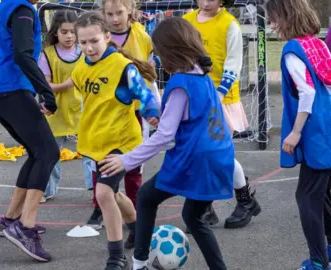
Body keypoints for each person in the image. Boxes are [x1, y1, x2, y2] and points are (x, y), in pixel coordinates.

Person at [99, 17, 233, 270]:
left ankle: (140, 263)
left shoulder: (181, 83)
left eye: (158, 51)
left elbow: (164, 136)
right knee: (194, 218)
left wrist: (125, 161)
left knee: (147, 198)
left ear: (167, 50)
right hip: (219, 154)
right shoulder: (202, 75)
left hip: (196, 159)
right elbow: (189, 115)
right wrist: (160, 112)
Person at [0, 0, 59, 262]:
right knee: (48, 152)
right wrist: (46, 92)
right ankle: (25, 227)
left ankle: (10, 219)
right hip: (12, 89)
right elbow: (22, 53)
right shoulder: (22, 10)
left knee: (35, 152)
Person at [265, 0, 331, 269]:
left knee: (306, 196)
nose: (271, 25)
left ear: (286, 17)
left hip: (317, 131)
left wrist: (294, 133)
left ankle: (319, 261)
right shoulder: (317, 45)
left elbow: (307, 93)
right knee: (320, 193)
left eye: (273, 19)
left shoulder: (293, 51)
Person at [72, 11, 160, 269]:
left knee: (103, 193)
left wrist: (152, 112)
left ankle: (116, 256)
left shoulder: (123, 67)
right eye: (83, 42)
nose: (89, 47)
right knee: (113, 193)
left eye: (94, 41)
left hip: (120, 141)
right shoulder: (80, 69)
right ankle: (136, 228)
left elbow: (144, 94)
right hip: (97, 141)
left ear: (107, 37)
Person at [84, 0, 162, 232]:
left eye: (119, 13)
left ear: (130, 11)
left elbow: (155, 59)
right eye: (109, 14)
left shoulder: (142, 36)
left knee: (133, 163)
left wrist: (151, 106)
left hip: (135, 110)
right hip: (104, 114)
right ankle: (100, 206)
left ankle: (135, 209)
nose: (115, 18)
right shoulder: (95, 39)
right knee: (100, 162)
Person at [183, 0, 261, 230]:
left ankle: (245, 200)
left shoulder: (230, 25)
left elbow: (233, 64)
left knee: (218, 154)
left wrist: (218, 93)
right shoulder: (187, 22)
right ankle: (207, 208)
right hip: (194, 98)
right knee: (200, 154)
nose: (207, 1)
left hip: (220, 100)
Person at [38, 10, 82, 203]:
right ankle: (47, 190)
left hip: (82, 110)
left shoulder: (85, 52)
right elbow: (45, 85)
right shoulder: (47, 55)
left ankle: (96, 188)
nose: (69, 36)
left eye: (73, 32)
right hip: (55, 111)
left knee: (91, 154)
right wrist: (67, 84)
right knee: (51, 153)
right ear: (56, 32)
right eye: (64, 32)